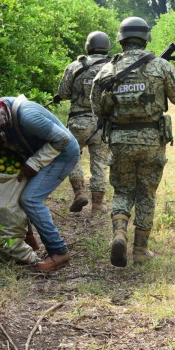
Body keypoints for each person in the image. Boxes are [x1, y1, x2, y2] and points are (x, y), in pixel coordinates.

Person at [90, 17, 175, 267]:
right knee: (146, 193)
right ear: (146, 38)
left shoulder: (107, 69)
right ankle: (140, 250)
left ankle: (120, 232)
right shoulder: (161, 66)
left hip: (119, 140)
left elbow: (97, 108)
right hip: (152, 140)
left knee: (122, 190)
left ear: (121, 40)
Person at [0, 95, 80, 272]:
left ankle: (59, 253)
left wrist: (34, 163)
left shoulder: (28, 116)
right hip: (37, 151)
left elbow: (63, 139)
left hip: (63, 154)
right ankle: (29, 239)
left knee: (30, 199)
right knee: (16, 189)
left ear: (0, 113)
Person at [56, 31, 113, 215]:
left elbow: (64, 92)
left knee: (71, 155)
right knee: (99, 163)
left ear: (88, 46)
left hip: (78, 122)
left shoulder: (75, 66)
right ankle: (97, 206)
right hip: (102, 123)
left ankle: (79, 192)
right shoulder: (113, 67)